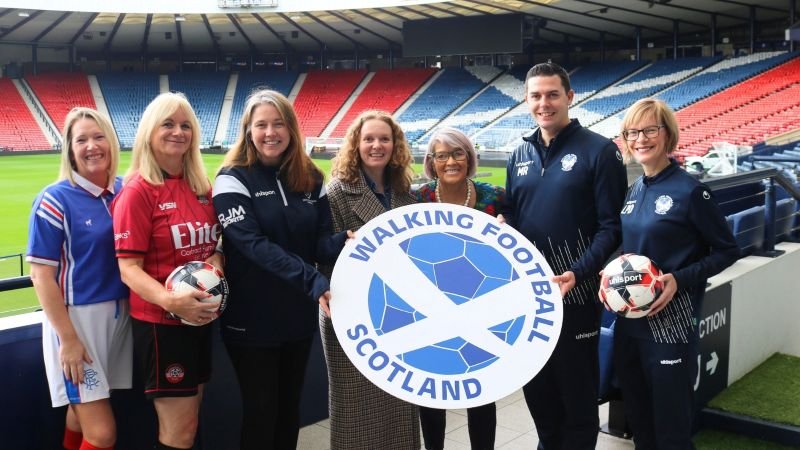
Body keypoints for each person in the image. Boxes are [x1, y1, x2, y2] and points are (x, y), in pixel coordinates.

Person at [501, 62, 628, 449]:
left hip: (576, 298)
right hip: (530, 299)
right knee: (540, 399)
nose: (544, 103)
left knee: (577, 404)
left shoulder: (600, 151)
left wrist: (578, 272)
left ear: (570, 97)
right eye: (536, 96)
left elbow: (612, 228)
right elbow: (515, 217)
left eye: (553, 94)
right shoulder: (519, 153)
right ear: (527, 101)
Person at [212, 89, 348, 450]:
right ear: (248, 131)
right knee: (261, 414)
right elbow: (252, 245)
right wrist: (312, 280)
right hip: (250, 319)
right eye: (261, 125)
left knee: (289, 412)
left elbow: (318, 245)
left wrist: (346, 241)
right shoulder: (231, 178)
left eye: (278, 124)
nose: (270, 132)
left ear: (291, 128)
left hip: (297, 317)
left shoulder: (311, 177)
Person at [613, 98, 739, 449]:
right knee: (640, 425)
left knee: (671, 432)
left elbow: (728, 250)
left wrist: (679, 279)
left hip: (671, 326)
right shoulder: (635, 190)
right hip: (630, 325)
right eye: (632, 132)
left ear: (667, 134)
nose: (640, 139)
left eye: (650, 130)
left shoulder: (691, 191)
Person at [112, 92, 222, 450]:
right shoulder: (137, 192)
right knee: (179, 431)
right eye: (168, 124)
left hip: (199, 319)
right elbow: (128, 269)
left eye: (186, 125)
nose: (179, 132)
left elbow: (214, 245)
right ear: (149, 132)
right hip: (162, 325)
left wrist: (216, 263)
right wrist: (171, 301)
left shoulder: (201, 186)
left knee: (192, 420)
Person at [27, 107, 131, 450]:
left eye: (99, 137)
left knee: (81, 411)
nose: (92, 146)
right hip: (78, 322)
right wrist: (68, 339)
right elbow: (41, 275)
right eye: (81, 139)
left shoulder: (125, 190)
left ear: (112, 142)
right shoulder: (54, 199)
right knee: (102, 433)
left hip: (121, 315)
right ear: (69, 150)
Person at [321, 110, 420, 449]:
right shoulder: (337, 191)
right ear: (356, 144)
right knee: (356, 409)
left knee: (400, 399)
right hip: (353, 313)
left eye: (384, 139)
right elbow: (323, 253)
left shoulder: (405, 192)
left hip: (402, 312)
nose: (377, 145)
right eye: (369, 139)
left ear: (395, 145)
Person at [414, 127, 505, 450]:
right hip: (431, 308)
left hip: (483, 308)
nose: (450, 162)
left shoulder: (495, 197)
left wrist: (507, 230)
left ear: (469, 157)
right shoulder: (419, 199)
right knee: (432, 393)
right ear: (431, 162)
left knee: (481, 392)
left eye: (458, 154)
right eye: (442, 156)